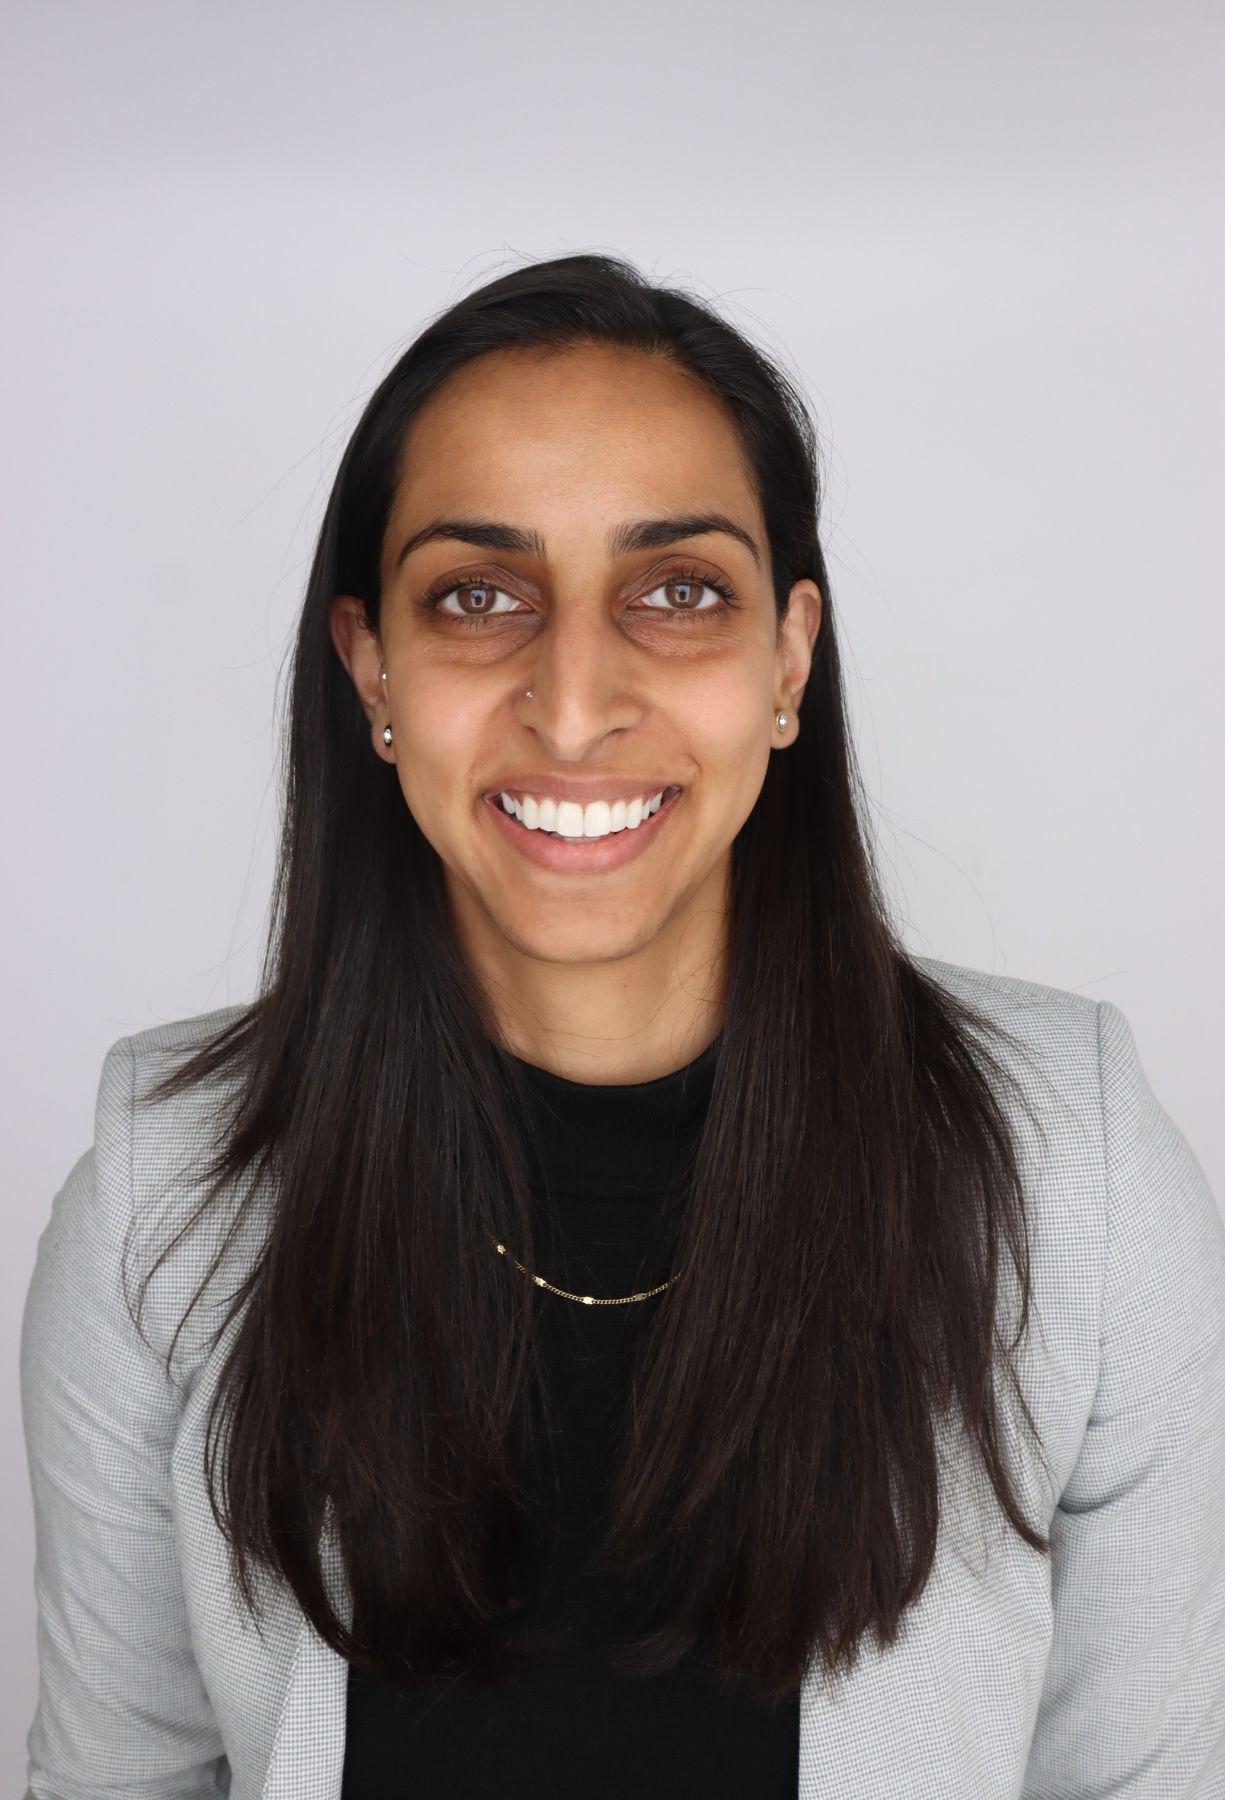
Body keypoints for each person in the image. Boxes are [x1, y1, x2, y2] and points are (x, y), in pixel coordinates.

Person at [20, 253, 1223, 1799]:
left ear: (788, 660)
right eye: (477, 594)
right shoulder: (161, 1193)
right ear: (370, 666)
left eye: (678, 591)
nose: (574, 701)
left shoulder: (1085, 1181)